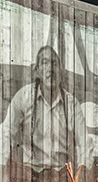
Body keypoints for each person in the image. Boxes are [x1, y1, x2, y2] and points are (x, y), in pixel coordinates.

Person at [0, 45, 91, 175]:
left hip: (62, 173)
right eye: (44, 62)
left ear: (61, 71)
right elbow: (6, 132)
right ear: (37, 70)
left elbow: (84, 140)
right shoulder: (24, 97)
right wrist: (1, 164)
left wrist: (83, 169)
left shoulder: (71, 103)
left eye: (54, 63)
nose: (51, 69)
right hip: (30, 174)